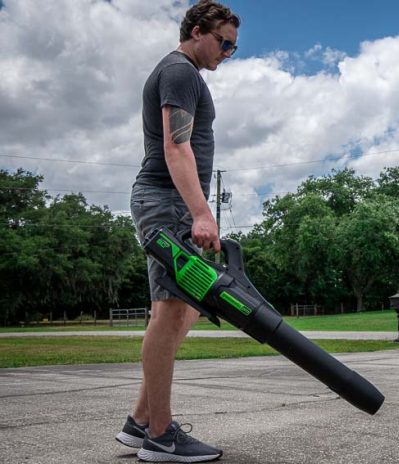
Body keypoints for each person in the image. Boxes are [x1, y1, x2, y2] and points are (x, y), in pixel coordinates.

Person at [115, 1, 240, 462]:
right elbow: (176, 146)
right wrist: (202, 214)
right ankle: (162, 437)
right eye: (223, 42)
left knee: (179, 310)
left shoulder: (184, 73)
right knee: (171, 313)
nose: (227, 52)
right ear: (195, 30)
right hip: (166, 202)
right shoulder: (181, 71)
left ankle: (139, 422)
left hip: (168, 204)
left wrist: (197, 213)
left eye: (233, 47)